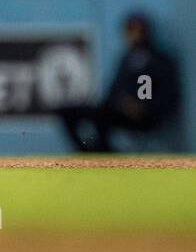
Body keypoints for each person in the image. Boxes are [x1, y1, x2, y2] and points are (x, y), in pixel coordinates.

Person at [58, 13, 182, 153]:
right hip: (117, 109)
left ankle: (105, 153)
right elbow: (114, 91)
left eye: (137, 30)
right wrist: (119, 102)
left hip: (146, 116)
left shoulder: (159, 60)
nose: (132, 35)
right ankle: (87, 153)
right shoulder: (126, 57)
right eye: (129, 30)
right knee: (68, 111)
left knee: (103, 115)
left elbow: (167, 94)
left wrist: (145, 107)